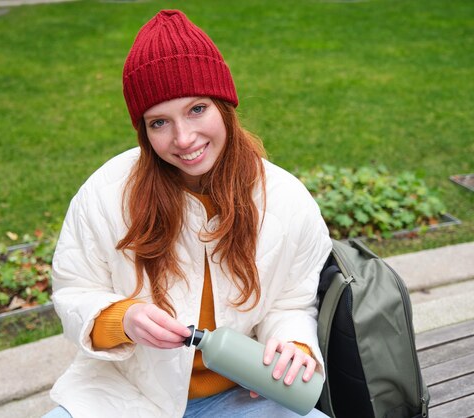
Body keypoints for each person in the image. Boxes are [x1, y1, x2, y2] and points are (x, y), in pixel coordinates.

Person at [45, 9, 332, 418]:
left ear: (224, 106)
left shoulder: (285, 199)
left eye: (197, 109)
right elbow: (74, 289)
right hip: (123, 397)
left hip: (242, 398)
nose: (183, 139)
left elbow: (292, 302)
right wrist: (121, 319)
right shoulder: (105, 194)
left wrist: (293, 346)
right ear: (143, 131)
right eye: (159, 122)